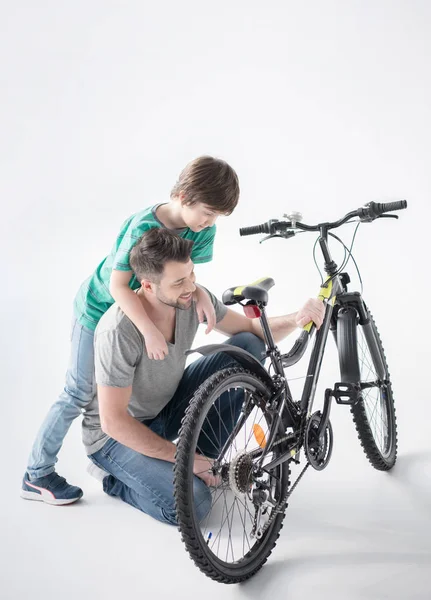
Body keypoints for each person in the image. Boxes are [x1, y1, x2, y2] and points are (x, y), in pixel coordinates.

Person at [21, 156, 240, 505]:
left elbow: (183, 271)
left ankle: (162, 457)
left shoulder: (202, 228)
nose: (211, 222)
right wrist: (149, 331)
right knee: (78, 391)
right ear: (184, 196)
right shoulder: (142, 226)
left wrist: (197, 292)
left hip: (136, 310)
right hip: (98, 310)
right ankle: (37, 473)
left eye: (217, 217)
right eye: (208, 213)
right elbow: (120, 286)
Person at [83, 228, 325, 525]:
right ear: (147, 285)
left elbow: (252, 332)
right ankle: (117, 482)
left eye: (192, 275)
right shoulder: (118, 331)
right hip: (115, 437)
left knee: (247, 349)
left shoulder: (190, 300)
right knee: (194, 504)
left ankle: (207, 460)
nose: (191, 286)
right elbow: (113, 422)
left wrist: (297, 318)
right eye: (179, 282)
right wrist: (181, 457)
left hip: (164, 405)